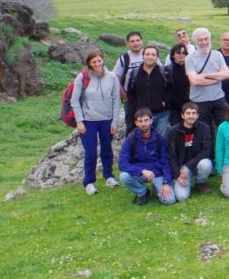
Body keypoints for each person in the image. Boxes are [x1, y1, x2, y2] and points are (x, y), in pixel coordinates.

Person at [72, 50, 123, 195]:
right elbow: (74, 101)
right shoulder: (82, 77)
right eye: (94, 62)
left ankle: (109, 176)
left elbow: (115, 100)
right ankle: (89, 182)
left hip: (106, 120)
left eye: (99, 61)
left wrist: (114, 121)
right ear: (89, 63)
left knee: (107, 149)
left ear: (103, 60)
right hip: (88, 121)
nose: (97, 64)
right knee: (91, 153)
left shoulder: (112, 77)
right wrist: (79, 121)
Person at [118, 108, 176, 206]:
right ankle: (143, 192)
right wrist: (142, 171)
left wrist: (166, 182)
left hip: (157, 173)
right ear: (136, 123)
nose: (143, 124)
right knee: (124, 176)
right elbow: (122, 163)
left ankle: (157, 186)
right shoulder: (130, 140)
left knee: (169, 200)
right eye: (140, 121)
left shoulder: (160, 140)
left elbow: (166, 162)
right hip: (140, 172)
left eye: (146, 120)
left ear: (151, 121)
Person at [185, 28, 229, 134]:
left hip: (218, 98)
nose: (204, 42)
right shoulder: (189, 59)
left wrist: (205, 76)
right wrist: (217, 77)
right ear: (195, 42)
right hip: (199, 101)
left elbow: (226, 75)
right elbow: (194, 81)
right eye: (200, 40)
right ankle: (208, 151)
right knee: (204, 133)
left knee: (225, 130)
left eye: (206, 39)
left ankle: (224, 151)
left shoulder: (217, 55)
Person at [166, 102, 214, 200]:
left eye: (193, 113)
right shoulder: (174, 131)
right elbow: (171, 155)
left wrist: (188, 166)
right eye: (188, 113)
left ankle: (200, 183)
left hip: (197, 163)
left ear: (197, 115)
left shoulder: (204, 128)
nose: (191, 116)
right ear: (182, 115)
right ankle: (176, 182)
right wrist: (177, 175)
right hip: (181, 166)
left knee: (206, 164)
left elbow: (206, 150)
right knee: (182, 197)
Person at [127, 45, 170, 136]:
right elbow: (130, 93)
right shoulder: (135, 72)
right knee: (144, 141)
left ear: (157, 57)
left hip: (161, 114)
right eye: (147, 54)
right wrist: (137, 106)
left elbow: (170, 90)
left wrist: (166, 102)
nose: (150, 57)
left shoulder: (163, 71)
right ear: (143, 56)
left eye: (153, 54)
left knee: (161, 140)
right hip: (143, 116)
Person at [112, 31, 145, 124]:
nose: (136, 43)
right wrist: (124, 95)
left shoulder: (149, 54)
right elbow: (115, 77)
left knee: (148, 125)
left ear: (142, 41)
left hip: (148, 96)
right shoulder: (124, 58)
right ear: (128, 43)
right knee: (131, 125)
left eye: (138, 40)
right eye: (132, 41)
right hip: (130, 98)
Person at [165, 44, 191, 121]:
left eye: (183, 53)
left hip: (190, 105)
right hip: (174, 107)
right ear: (173, 55)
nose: (181, 55)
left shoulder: (191, 68)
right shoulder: (167, 70)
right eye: (178, 53)